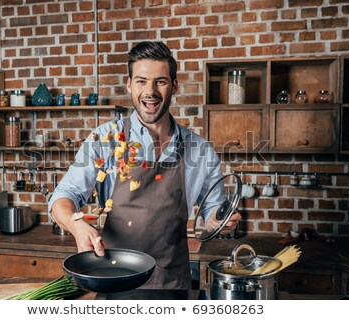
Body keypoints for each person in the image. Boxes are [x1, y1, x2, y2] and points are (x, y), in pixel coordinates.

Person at [49, 41, 241, 290]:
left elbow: (212, 212)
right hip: (113, 278)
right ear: (129, 85)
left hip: (171, 284)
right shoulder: (104, 139)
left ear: (174, 86)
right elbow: (63, 197)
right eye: (141, 81)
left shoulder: (200, 149)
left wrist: (220, 221)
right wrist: (77, 226)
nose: (150, 91)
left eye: (160, 81)